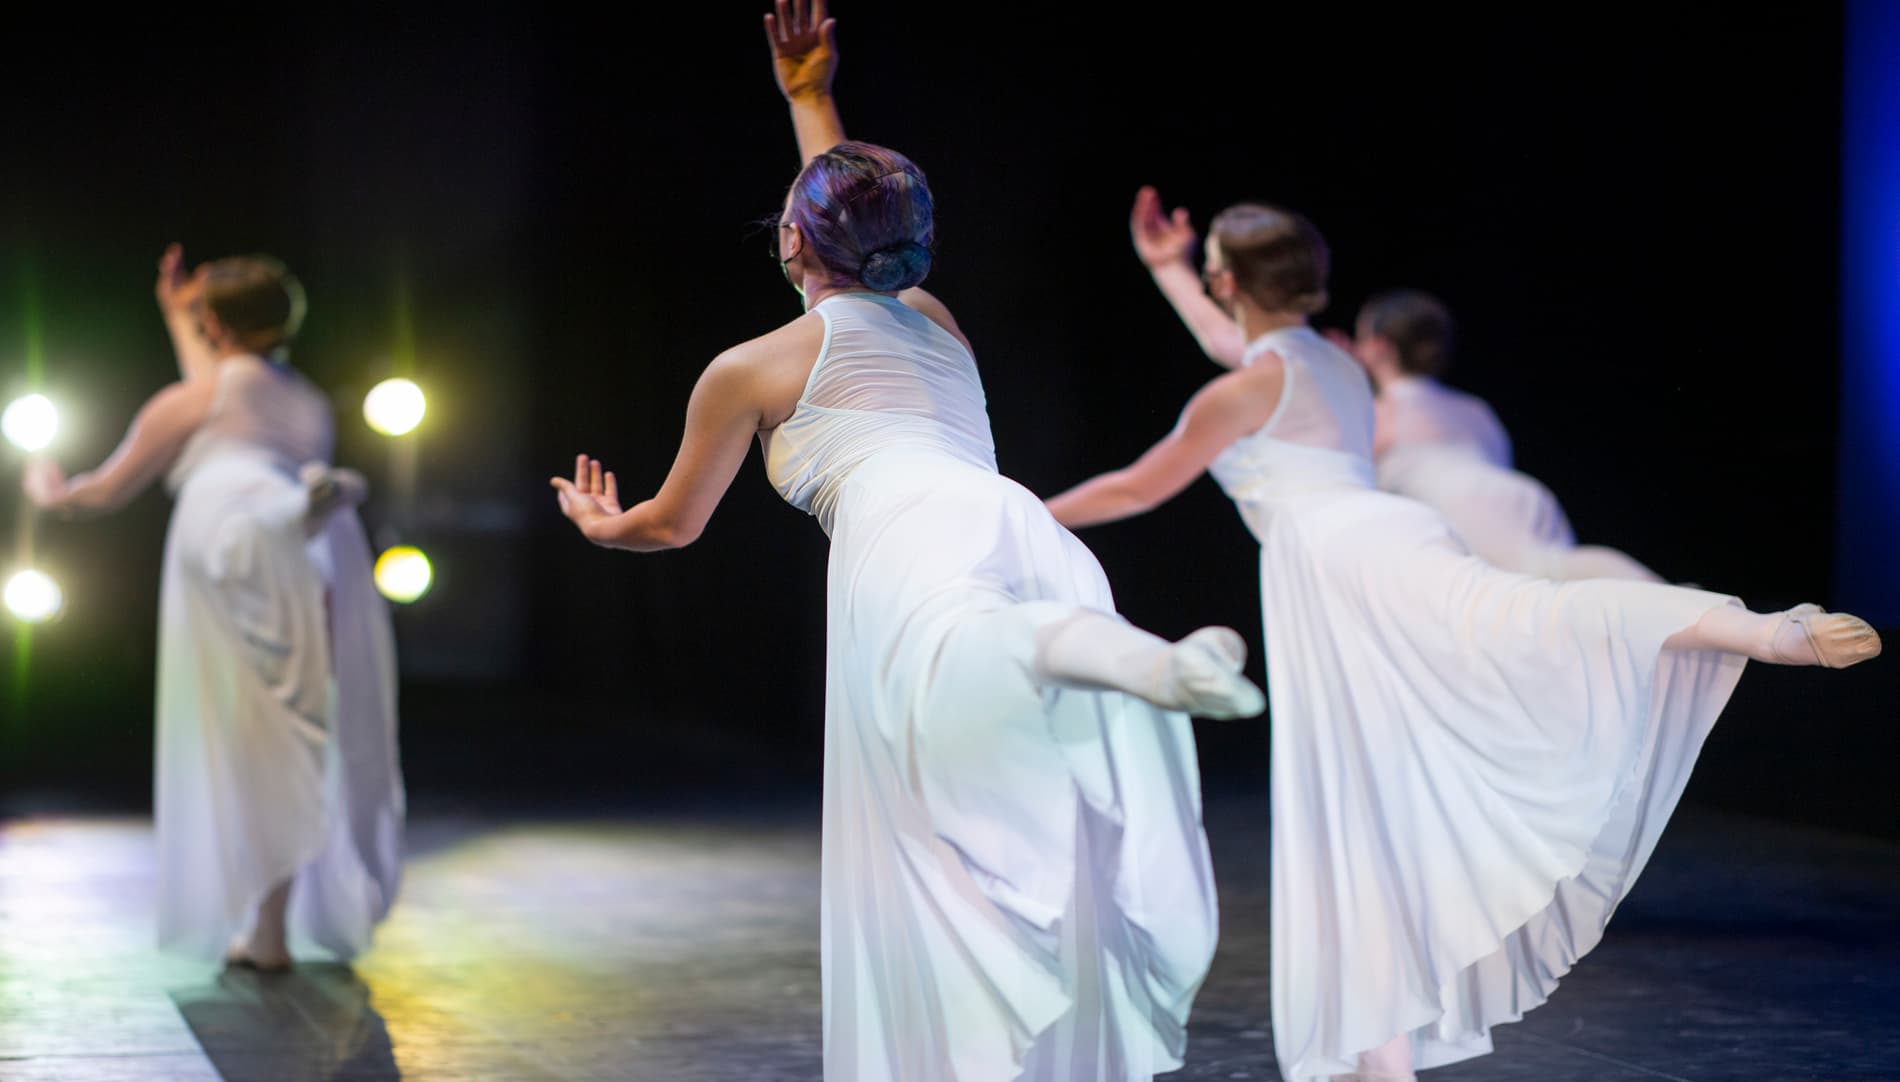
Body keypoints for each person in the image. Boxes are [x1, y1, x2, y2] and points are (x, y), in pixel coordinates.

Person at [546, 3, 1261, 1076]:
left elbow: (674, 522)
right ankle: (1158, 662)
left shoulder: (749, 368)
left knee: (942, 820)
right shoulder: (933, 318)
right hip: (1015, 519)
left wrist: (605, 527)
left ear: (790, 238)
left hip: (902, 541)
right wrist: (808, 98)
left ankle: (964, 1037)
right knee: (1022, 663)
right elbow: (852, 211)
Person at [1044, 199, 1881, 1081]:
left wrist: (1024, 509)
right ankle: (1754, 627)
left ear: (1227, 280)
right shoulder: (1329, 363)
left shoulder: (1249, 385)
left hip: (1340, 565)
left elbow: (1138, 486)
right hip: (1392, 536)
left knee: (1363, 798)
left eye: (1208, 269)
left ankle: (1382, 1052)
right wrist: (1171, 266)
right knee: (1510, 637)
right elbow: (1237, 339)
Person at [23, 244, 403, 970]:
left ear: (217, 327)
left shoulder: (196, 399)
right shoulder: (303, 398)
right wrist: (179, 314)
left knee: (239, 728)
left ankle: (261, 928)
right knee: (288, 728)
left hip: (224, 534)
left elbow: (105, 489)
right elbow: (225, 378)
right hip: (296, 548)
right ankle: (268, 927)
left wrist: (53, 493)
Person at [1126, 187, 1661, 581]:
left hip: (1459, 513)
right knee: (1554, 576)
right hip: (1526, 500)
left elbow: (1233, 345)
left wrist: (1172, 270)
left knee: (1535, 594)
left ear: (1377, 346)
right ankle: (1667, 603)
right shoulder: (1475, 410)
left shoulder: (1364, 402)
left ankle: (1675, 609)